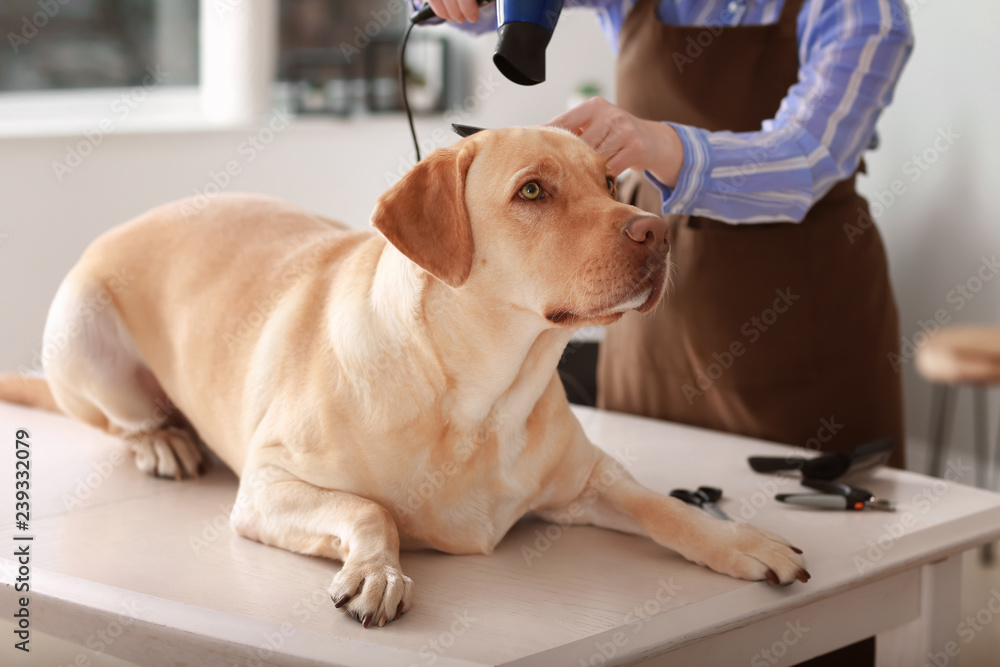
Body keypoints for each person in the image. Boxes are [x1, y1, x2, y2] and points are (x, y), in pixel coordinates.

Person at [420, 2, 913, 663]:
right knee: (640, 573)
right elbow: (481, 16)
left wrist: (659, 143)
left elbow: (809, 158)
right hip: (653, 306)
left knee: (810, 585)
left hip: (804, 324)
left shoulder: (864, 10)